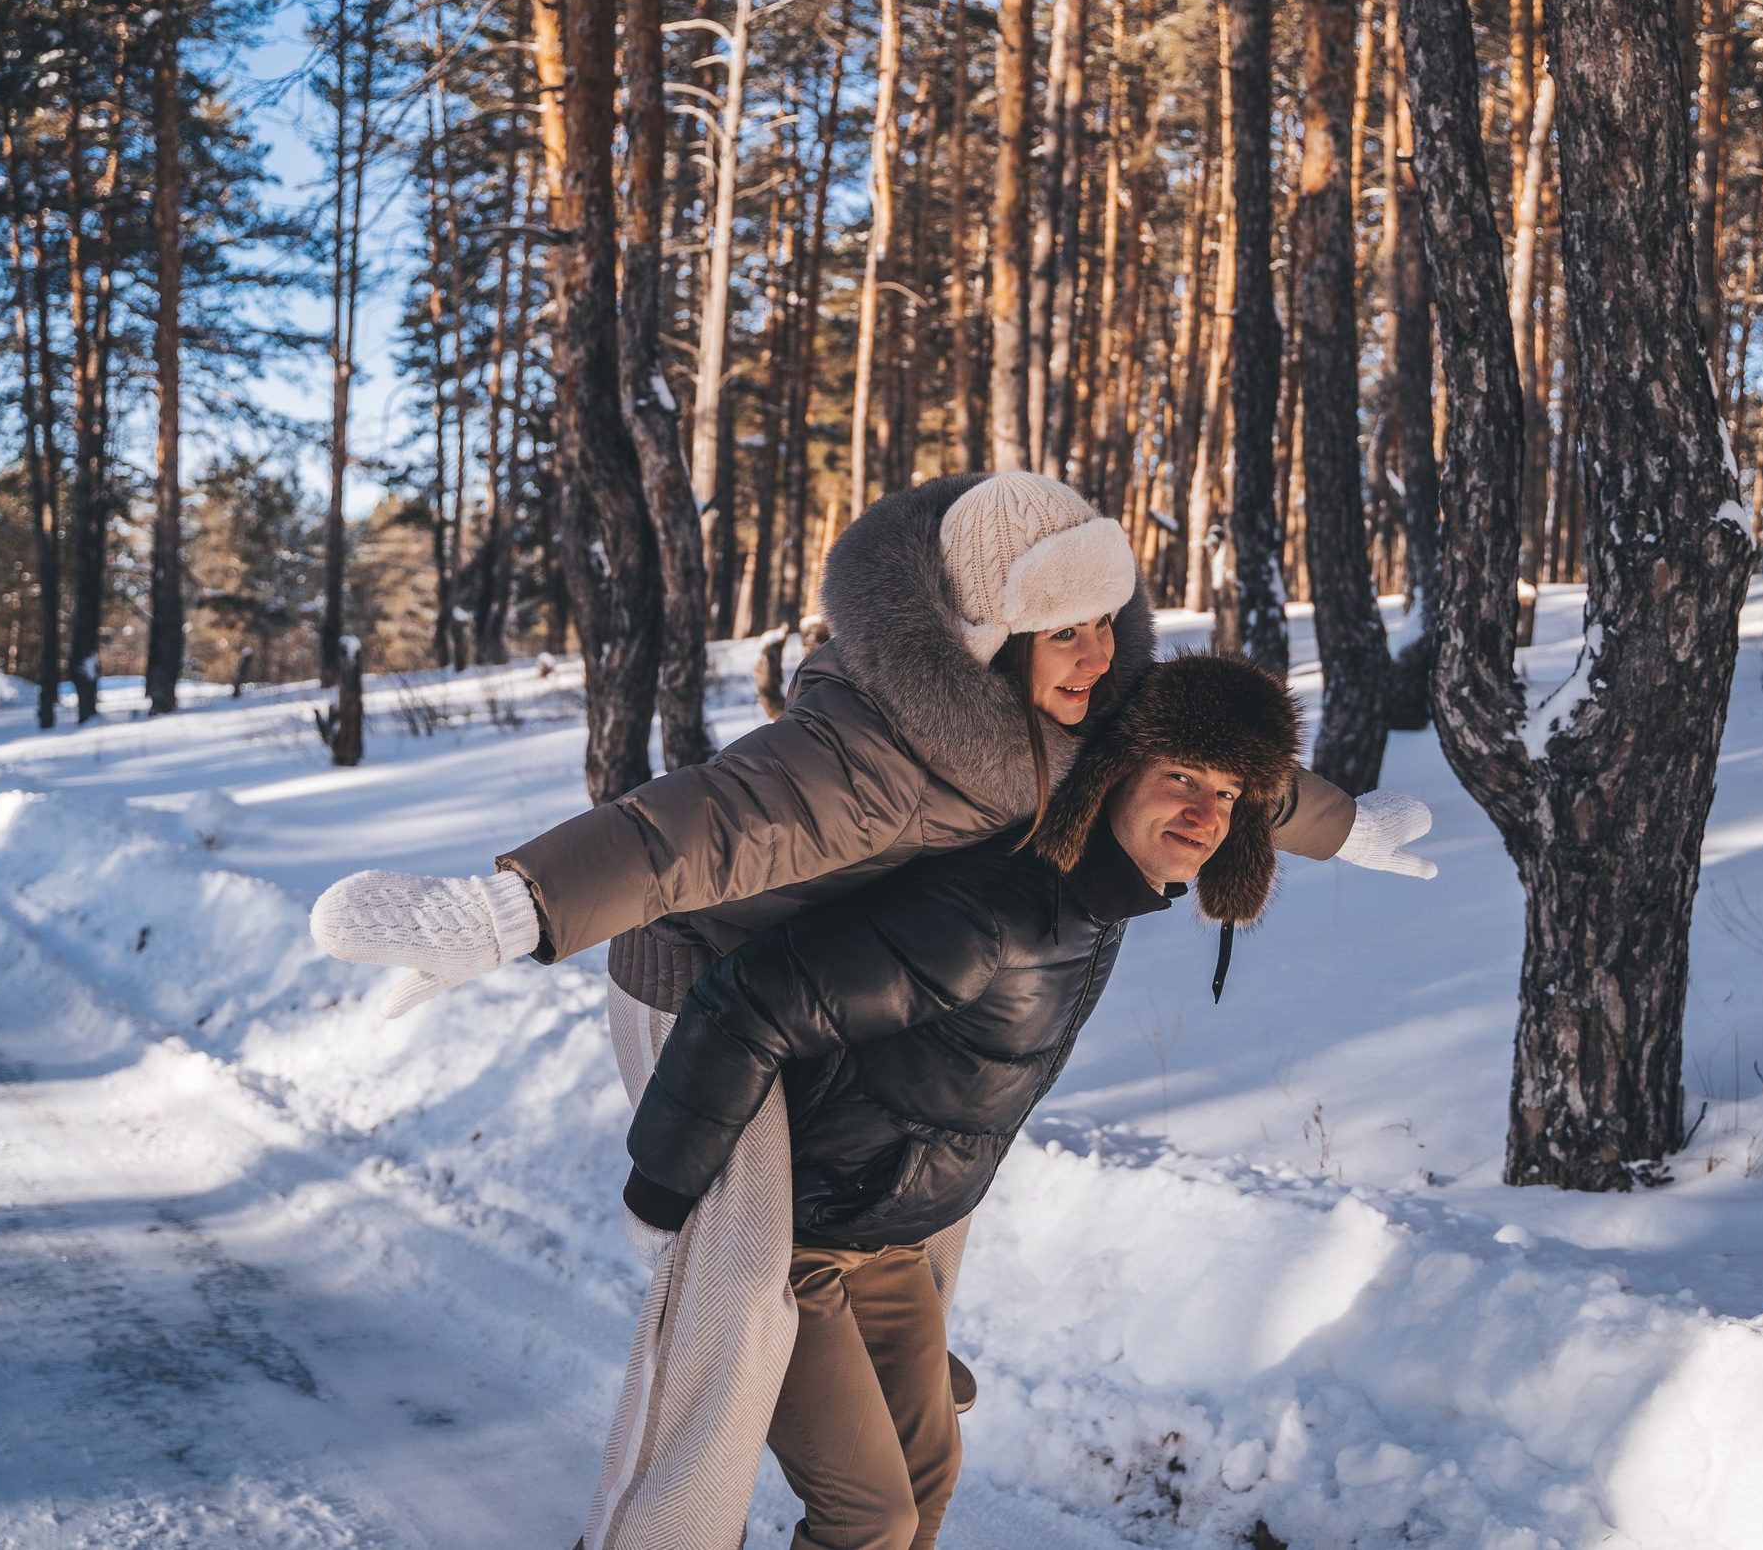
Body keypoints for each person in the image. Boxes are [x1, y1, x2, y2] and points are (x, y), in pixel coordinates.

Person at [308, 472, 1439, 1550]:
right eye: (1064, 630)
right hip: (706, 978)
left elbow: (1219, 768)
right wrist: (509, 913)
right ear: (991, 635)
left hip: (857, 988)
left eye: (1107, 618)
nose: (1096, 654)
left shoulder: (1089, 703)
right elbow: (687, 831)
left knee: (914, 1231)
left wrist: (1346, 830)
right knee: (741, 1293)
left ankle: (873, 1400)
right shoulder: (870, 750)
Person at [623, 651, 1305, 1550]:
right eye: (1181, 775)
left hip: (886, 1240)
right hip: (798, 1236)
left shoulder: (1097, 902)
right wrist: (661, 1193)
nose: (1203, 812)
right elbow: (751, 999)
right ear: (1112, 774)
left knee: (925, 1476)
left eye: (1227, 793)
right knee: (870, 1511)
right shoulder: (997, 908)